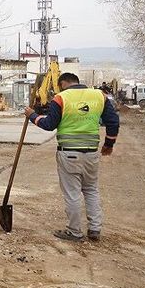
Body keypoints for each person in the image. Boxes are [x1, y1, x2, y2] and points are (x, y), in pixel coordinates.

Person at [24, 72, 120, 242]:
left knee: (72, 193)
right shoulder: (99, 96)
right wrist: (108, 144)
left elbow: (49, 124)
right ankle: (95, 229)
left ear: (63, 83)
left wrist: (32, 115)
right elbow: (113, 122)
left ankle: (74, 231)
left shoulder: (61, 98)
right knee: (91, 190)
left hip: (69, 153)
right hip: (91, 153)